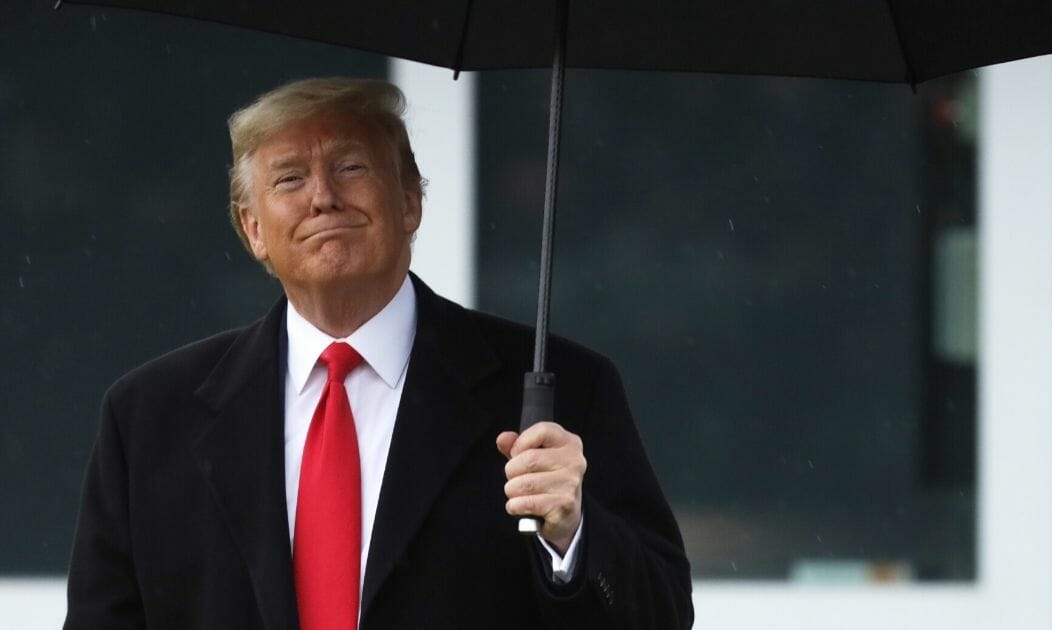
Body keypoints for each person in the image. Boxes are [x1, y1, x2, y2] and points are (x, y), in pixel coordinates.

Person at [64, 77, 693, 629]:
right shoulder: (149, 416)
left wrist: (574, 538)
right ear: (252, 228)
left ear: (411, 202)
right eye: (290, 178)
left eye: (351, 167)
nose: (323, 197)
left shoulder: (561, 389)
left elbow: (662, 614)